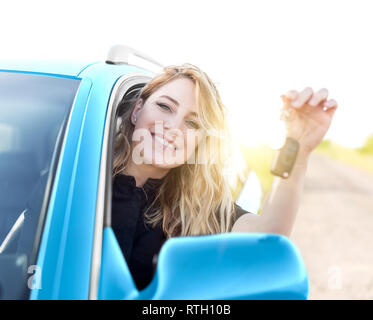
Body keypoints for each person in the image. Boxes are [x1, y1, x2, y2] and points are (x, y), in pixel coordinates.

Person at [111, 64, 338, 290]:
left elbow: (268, 235)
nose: (173, 127)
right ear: (137, 110)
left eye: (192, 122)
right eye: (164, 106)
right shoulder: (80, 179)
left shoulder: (198, 208)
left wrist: (296, 147)